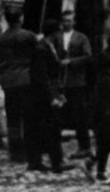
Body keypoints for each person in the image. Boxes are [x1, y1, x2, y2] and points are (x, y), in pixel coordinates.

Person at [26, 19, 74, 174]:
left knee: (48, 127)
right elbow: (42, 76)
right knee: (51, 128)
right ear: (55, 32)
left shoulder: (49, 46)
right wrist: (51, 97)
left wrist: (59, 92)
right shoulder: (41, 48)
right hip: (43, 95)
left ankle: (42, 161)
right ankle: (55, 163)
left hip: (51, 91)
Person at [0, 6, 37, 162]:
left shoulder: (0, 39)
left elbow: (1, 60)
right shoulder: (29, 36)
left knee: (12, 117)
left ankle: (15, 152)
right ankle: (30, 150)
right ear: (21, 18)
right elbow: (36, 57)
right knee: (29, 116)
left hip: (8, 81)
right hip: (26, 79)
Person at [56, 10, 93, 159]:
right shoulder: (56, 37)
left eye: (69, 20)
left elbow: (88, 57)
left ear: (74, 22)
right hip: (59, 81)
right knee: (56, 114)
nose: (67, 23)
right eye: (64, 20)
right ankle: (54, 148)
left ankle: (84, 147)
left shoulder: (81, 38)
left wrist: (71, 61)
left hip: (76, 81)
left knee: (79, 115)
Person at [84, 52, 110, 185]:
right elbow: (107, 100)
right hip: (105, 116)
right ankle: (100, 172)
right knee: (105, 144)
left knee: (107, 144)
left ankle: (94, 162)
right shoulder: (106, 79)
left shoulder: (109, 77)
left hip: (106, 115)